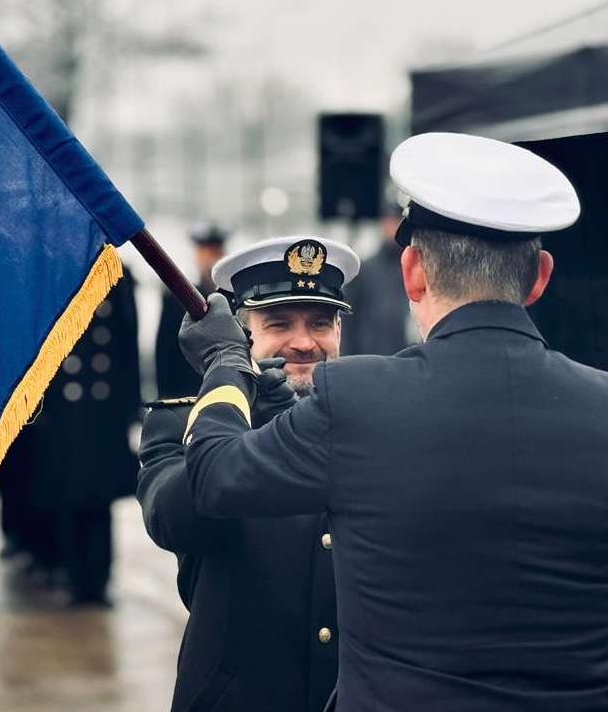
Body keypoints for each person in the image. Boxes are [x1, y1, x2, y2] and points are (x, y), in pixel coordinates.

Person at [177, 132, 608, 711]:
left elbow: (215, 474)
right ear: (539, 277)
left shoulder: (356, 400)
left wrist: (227, 361)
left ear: (412, 272)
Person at [139, 236, 360, 711]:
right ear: (241, 335)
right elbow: (173, 519)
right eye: (279, 323)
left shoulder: (368, 421)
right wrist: (243, 404)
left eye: (321, 323)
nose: (304, 343)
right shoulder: (182, 424)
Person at [28, 268, 142, 606]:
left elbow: (127, 348)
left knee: (99, 502)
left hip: (104, 414)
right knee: (68, 498)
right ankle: (76, 579)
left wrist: (130, 408)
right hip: (64, 412)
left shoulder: (116, 279)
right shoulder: (50, 277)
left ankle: (99, 581)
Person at [155, 221, 229, 398]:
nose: (210, 260)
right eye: (205, 253)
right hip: (186, 394)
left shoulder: (232, 297)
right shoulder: (177, 298)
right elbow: (164, 354)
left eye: (215, 253)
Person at [342, 201, 411, 355]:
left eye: (396, 222)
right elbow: (348, 318)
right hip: (371, 356)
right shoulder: (365, 269)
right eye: (389, 222)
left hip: (406, 354)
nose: (392, 228)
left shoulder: (414, 268)